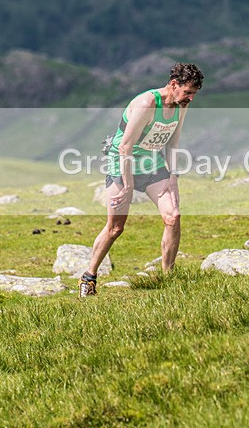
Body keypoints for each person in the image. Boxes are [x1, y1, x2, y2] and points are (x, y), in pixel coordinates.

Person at [78, 63, 204, 297]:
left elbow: (173, 143)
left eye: (194, 94)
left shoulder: (180, 105)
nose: (191, 98)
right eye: (188, 92)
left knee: (173, 216)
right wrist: (127, 185)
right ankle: (89, 277)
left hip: (152, 164)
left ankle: (169, 279)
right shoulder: (147, 103)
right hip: (122, 164)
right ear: (174, 85)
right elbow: (125, 147)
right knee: (115, 228)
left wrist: (173, 177)